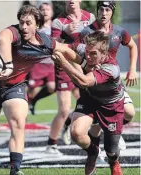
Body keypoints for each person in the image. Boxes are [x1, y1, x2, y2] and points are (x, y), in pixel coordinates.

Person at [0, 5, 85, 175]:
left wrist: (85, 64)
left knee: (18, 121)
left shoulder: (45, 42)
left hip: (14, 87)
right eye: (22, 22)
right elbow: (2, 38)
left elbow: (66, 50)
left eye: (28, 23)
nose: (24, 26)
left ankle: (15, 168)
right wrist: (9, 65)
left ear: (37, 25)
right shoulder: (14, 32)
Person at [63, 0, 138, 153]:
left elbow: (132, 45)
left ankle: (113, 129)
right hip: (91, 82)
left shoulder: (119, 32)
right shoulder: (86, 32)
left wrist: (132, 69)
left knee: (130, 112)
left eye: (107, 10)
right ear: (97, 11)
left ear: (112, 12)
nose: (104, 13)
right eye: (101, 10)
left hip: (109, 79)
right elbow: (75, 53)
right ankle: (83, 132)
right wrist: (79, 72)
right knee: (87, 128)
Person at [52, 31, 124, 175]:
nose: (88, 57)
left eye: (93, 54)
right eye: (87, 52)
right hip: (90, 99)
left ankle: (113, 161)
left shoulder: (111, 68)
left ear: (104, 53)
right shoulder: (87, 49)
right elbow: (64, 48)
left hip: (111, 106)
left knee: (112, 150)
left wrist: (63, 63)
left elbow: (84, 82)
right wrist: (41, 41)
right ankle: (93, 152)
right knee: (76, 133)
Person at [46, 0, 95, 154]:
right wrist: (64, 33)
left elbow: (96, 42)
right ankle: (51, 144)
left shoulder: (90, 17)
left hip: (85, 66)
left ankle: (71, 124)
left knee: (94, 104)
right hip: (65, 67)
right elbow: (52, 47)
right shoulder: (59, 21)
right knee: (64, 109)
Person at [28, 1, 55, 115]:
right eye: (42, 9)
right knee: (31, 87)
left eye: (47, 9)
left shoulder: (56, 26)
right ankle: (25, 108)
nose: (45, 12)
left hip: (51, 64)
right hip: (38, 63)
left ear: (52, 12)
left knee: (52, 87)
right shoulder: (36, 27)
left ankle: (34, 101)